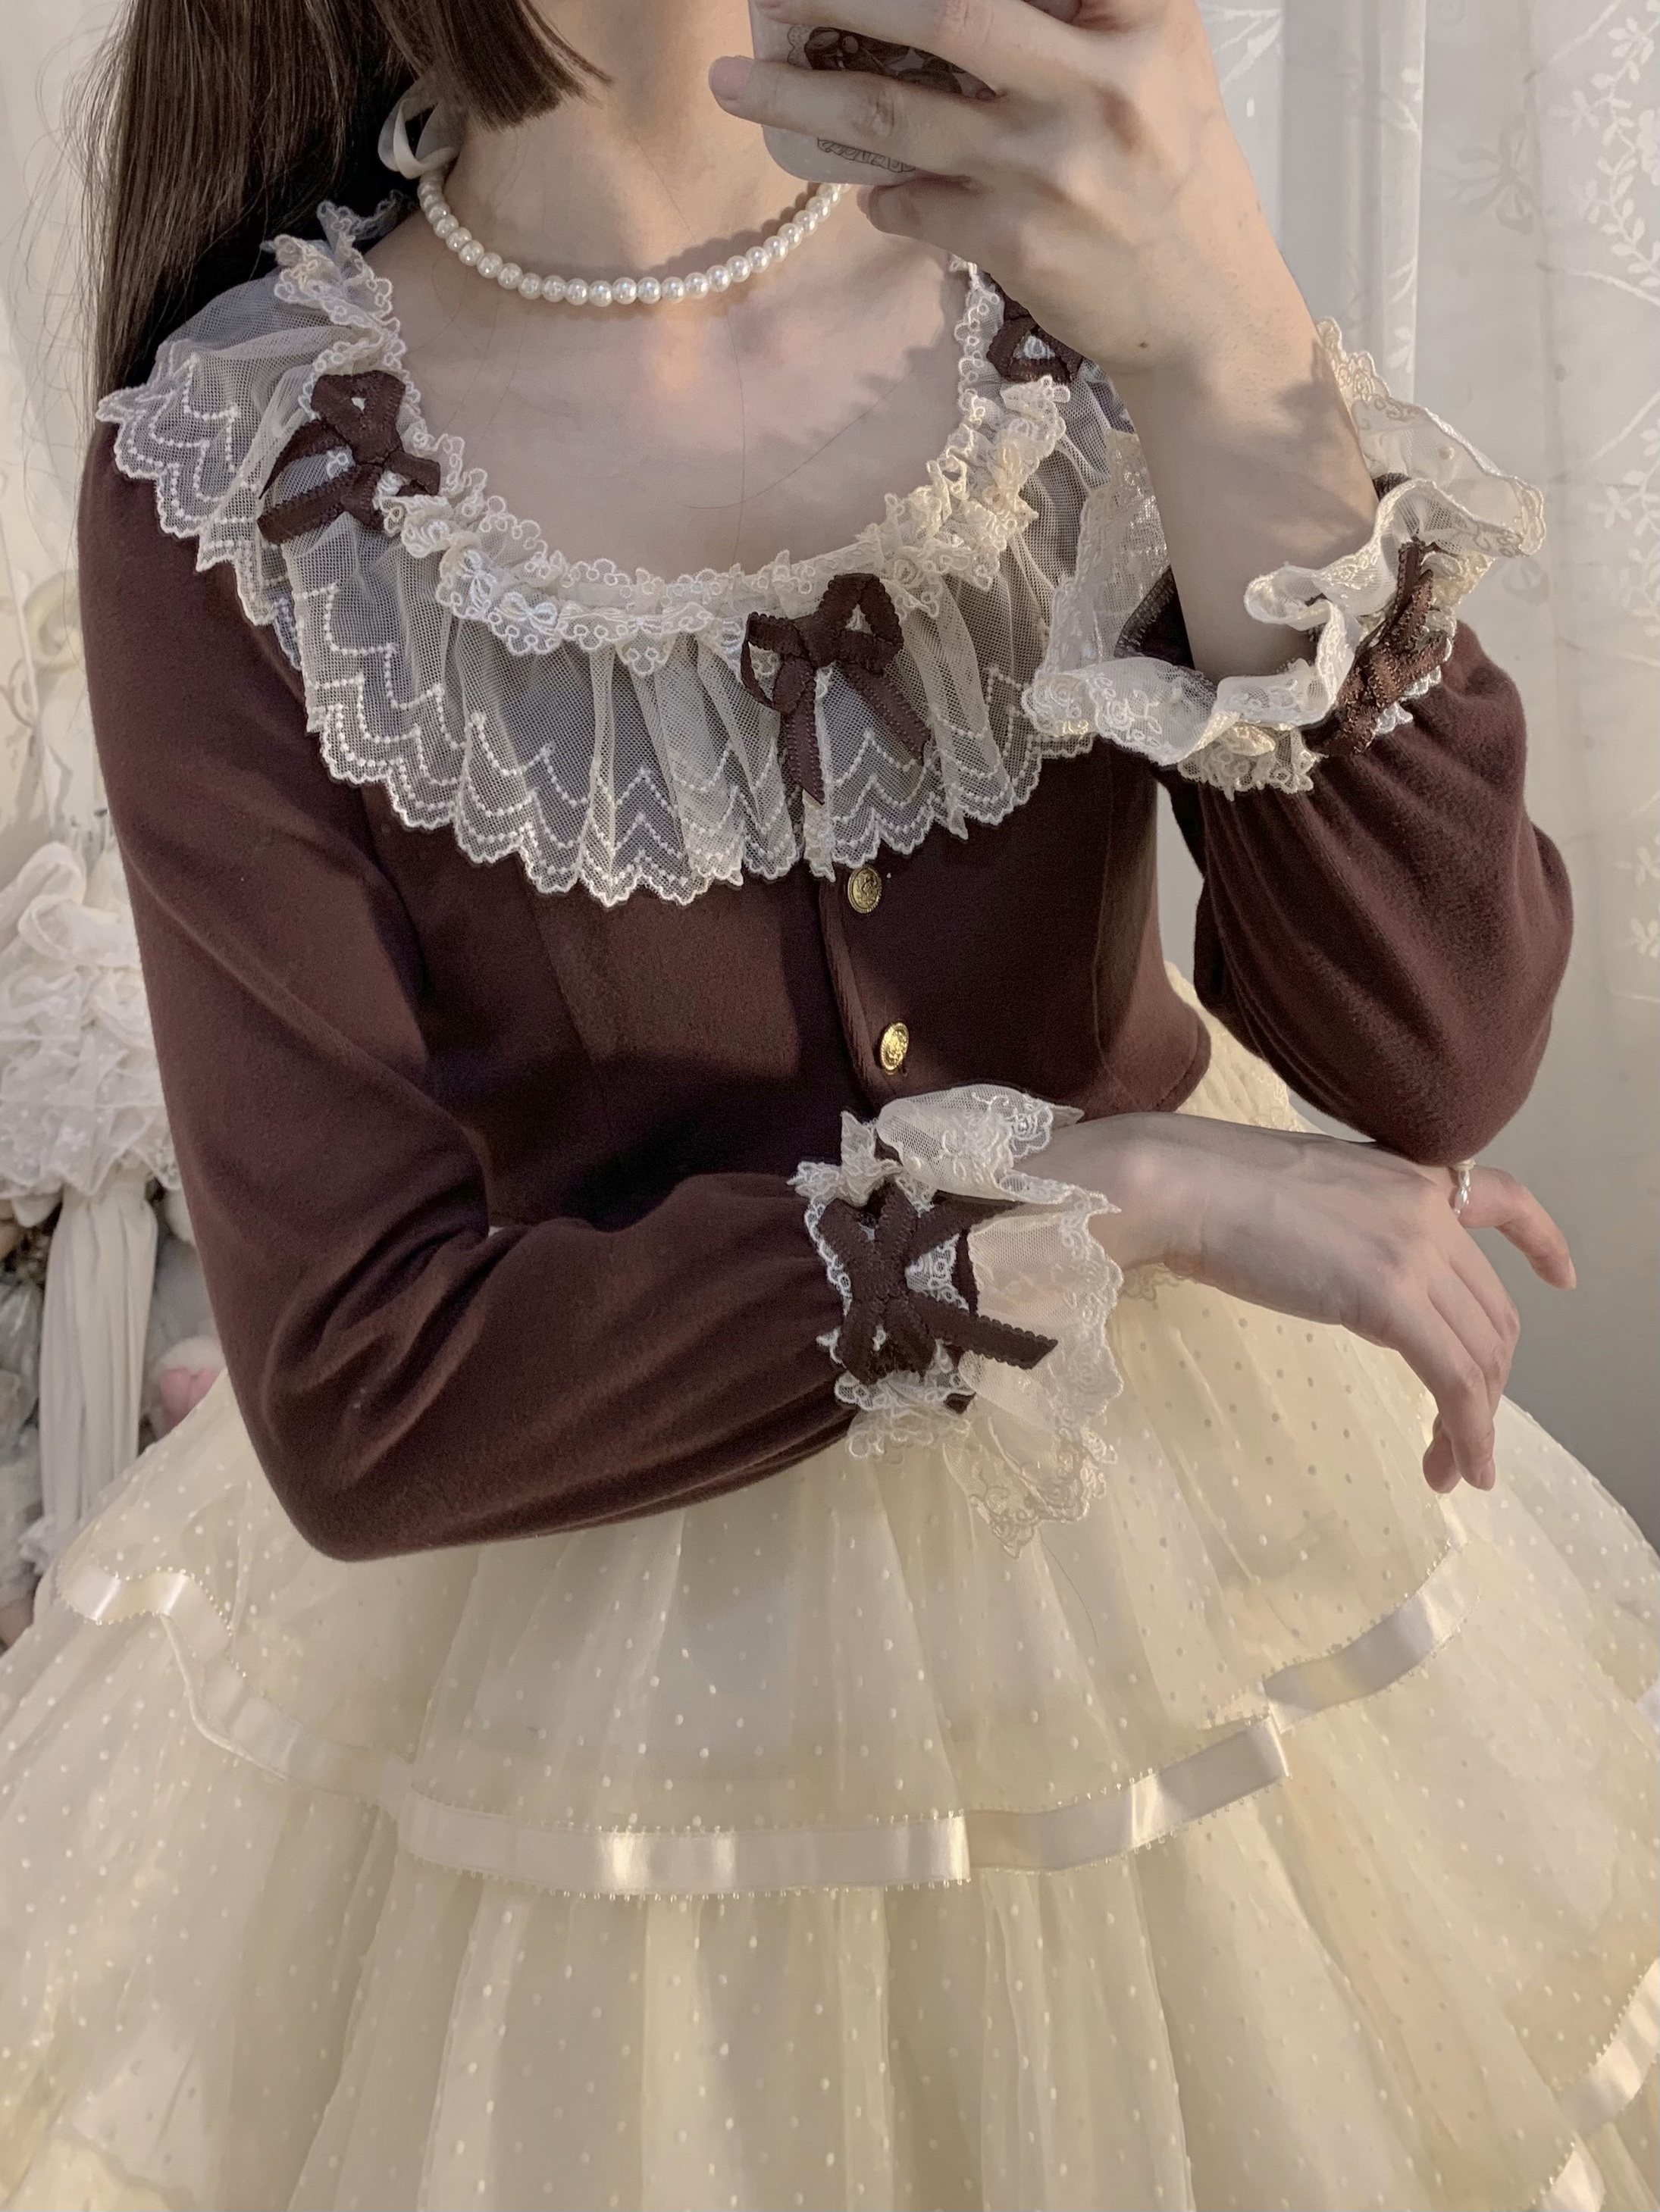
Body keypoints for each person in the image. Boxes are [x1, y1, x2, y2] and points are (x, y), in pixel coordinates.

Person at [1, 0, 1655, 2203]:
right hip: (579, 1703)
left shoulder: (1065, 276)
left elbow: (1439, 1050)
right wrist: (1106, 1194)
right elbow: (369, 1395)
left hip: (1203, 1597)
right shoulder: (243, 481)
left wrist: (1228, 334)